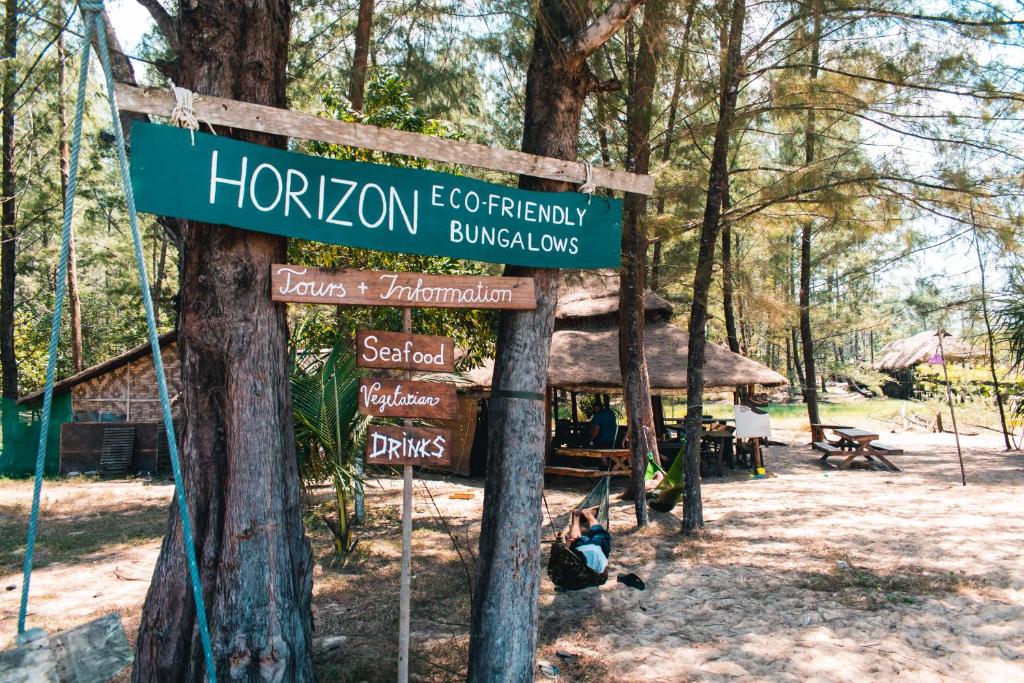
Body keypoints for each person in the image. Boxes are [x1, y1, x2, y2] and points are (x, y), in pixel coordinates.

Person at [559, 506, 611, 575]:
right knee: (575, 539)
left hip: (596, 548)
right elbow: (565, 556)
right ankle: (577, 516)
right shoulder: (571, 571)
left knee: (599, 533)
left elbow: (604, 570)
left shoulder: (596, 575)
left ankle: (587, 515)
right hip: (581, 549)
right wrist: (568, 545)